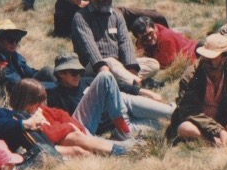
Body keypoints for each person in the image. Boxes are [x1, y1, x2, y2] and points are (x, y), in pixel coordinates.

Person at [46, 54, 174, 138]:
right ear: (61, 74)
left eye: (80, 72)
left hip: (125, 104)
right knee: (164, 127)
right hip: (117, 126)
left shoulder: (88, 81)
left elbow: (118, 86)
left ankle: (176, 111)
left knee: (171, 114)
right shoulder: (57, 97)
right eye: (74, 73)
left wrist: (145, 92)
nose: (78, 76)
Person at [71, 0, 160, 87]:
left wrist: (131, 66)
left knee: (153, 64)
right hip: (94, 66)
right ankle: (138, 84)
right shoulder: (81, 17)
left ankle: (123, 81)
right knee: (109, 62)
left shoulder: (116, 14)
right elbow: (88, 45)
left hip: (118, 64)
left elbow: (125, 41)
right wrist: (102, 67)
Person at [10, 78, 127, 157]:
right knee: (74, 138)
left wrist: (72, 126)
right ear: (27, 102)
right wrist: (69, 127)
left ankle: (116, 150)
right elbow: (51, 135)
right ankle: (118, 151)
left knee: (77, 137)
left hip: (68, 136)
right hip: (55, 144)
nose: (40, 105)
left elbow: (61, 114)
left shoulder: (39, 109)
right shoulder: (24, 118)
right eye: (37, 102)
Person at [0, 19, 53, 93]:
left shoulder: (11, 54)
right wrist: (54, 85)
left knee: (47, 71)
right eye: (10, 40)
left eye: (17, 40)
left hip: (24, 84)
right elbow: (18, 85)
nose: (14, 43)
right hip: (19, 92)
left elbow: (29, 72)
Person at [130, 16, 198, 69]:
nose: (149, 38)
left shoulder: (166, 38)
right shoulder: (142, 40)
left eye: (150, 33)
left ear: (155, 28)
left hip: (192, 56)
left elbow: (164, 64)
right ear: (138, 38)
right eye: (144, 37)